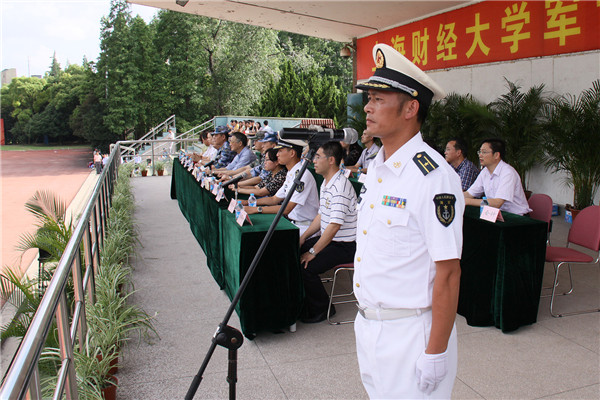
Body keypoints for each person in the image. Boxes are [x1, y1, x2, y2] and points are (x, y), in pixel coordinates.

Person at [353, 43, 464, 399]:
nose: (368, 107)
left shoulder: (433, 177)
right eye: (368, 98)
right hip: (369, 326)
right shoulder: (378, 167)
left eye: (379, 99)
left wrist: (436, 351)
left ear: (411, 108)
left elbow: (448, 272)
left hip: (411, 334)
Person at [298, 141, 357, 323]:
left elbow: (334, 226)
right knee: (294, 251)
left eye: (318, 157)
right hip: (331, 240)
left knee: (306, 267)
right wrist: (304, 237)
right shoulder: (326, 183)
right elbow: (321, 215)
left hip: (345, 245)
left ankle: (323, 309)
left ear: (331, 160)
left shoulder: (340, 187)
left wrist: (313, 252)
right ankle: (303, 302)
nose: (313, 161)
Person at [242, 138, 319, 236]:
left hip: (305, 228)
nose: (277, 154)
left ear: (292, 153)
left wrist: (257, 209)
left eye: (280, 151)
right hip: (294, 224)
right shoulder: (291, 173)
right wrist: (247, 202)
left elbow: (287, 208)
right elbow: (274, 199)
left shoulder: (302, 175)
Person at [464, 138, 531, 215]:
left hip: (516, 217)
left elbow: (497, 203)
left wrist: (468, 201)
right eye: (480, 152)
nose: (480, 155)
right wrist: (455, 195)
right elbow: (469, 194)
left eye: (484, 152)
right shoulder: (485, 171)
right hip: (495, 214)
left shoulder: (508, 172)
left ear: (496, 155)